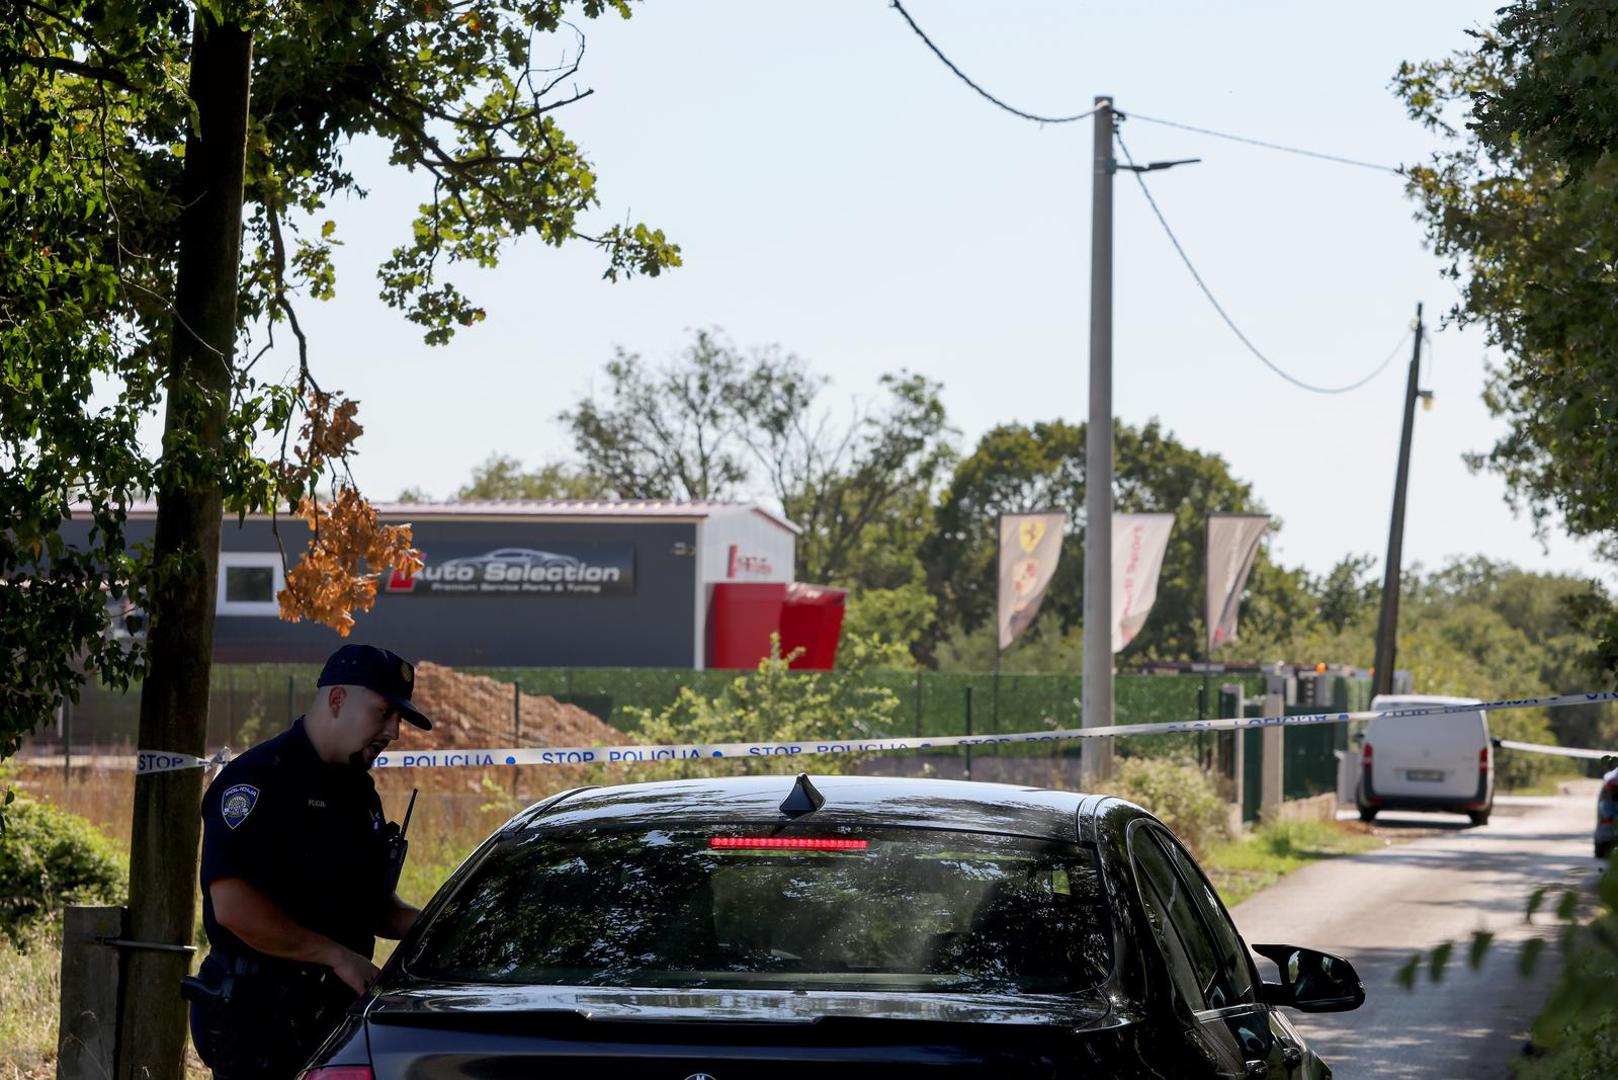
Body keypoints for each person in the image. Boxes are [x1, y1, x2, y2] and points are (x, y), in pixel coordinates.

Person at [185, 643, 432, 1078]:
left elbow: (372, 907)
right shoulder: (256, 780)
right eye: (384, 713)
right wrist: (336, 956)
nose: (394, 732)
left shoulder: (359, 796)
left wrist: (445, 927)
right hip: (257, 1019)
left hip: (332, 1020)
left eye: (399, 720)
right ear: (337, 700)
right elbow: (234, 908)